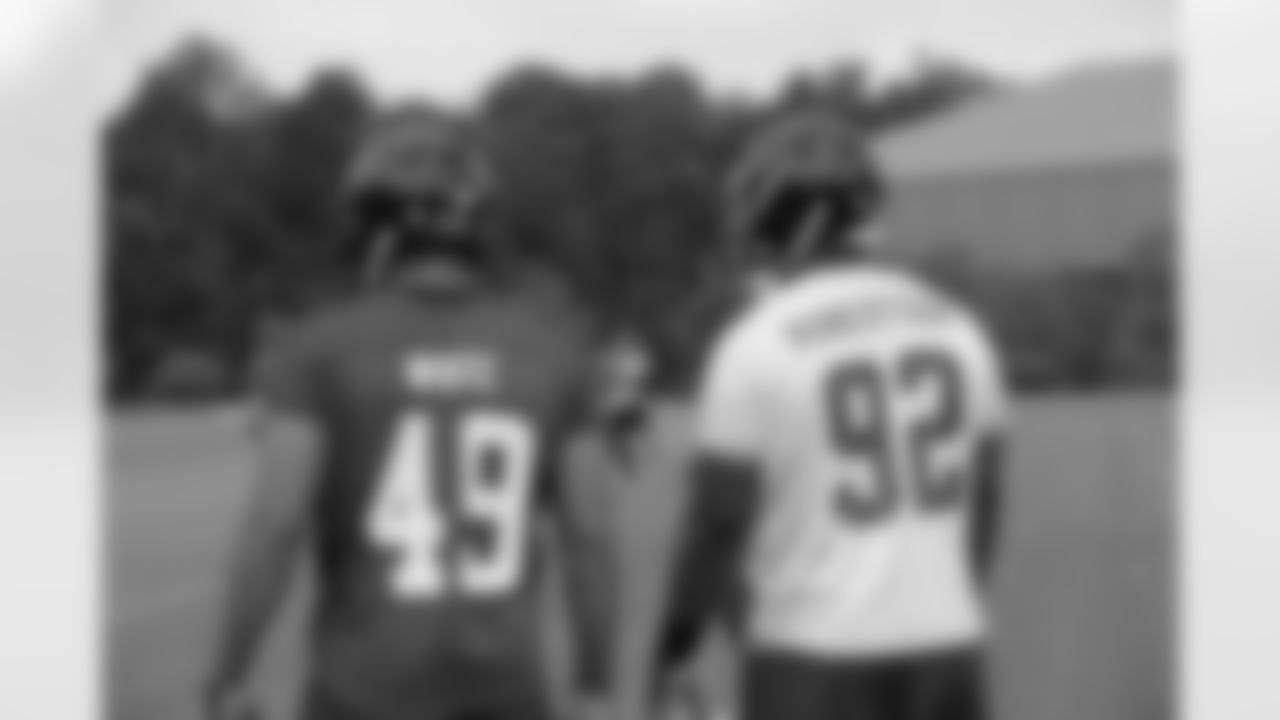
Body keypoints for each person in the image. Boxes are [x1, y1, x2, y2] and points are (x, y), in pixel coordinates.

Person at [202, 105, 621, 720]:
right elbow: (591, 539)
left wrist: (228, 676)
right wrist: (596, 685)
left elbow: (276, 525)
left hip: (363, 692)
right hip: (507, 692)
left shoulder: (320, 349)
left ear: (376, 229)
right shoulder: (555, 353)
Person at [650, 109, 1011, 720]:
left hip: (815, 661)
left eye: (765, 228)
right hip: (948, 652)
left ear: (793, 224)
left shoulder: (757, 346)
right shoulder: (958, 330)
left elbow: (717, 522)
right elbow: (986, 500)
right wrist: (950, 597)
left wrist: (677, 641)